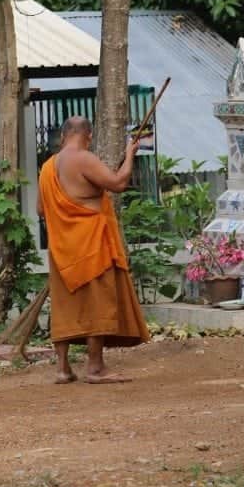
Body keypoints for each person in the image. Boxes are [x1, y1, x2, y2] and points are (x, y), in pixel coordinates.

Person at [37, 115, 150, 384]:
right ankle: (95, 367)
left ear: (63, 136)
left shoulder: (48, 167)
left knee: (66, 306)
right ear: (88, 135)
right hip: (90, 244)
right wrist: (129, 154)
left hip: (62, 249)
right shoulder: (84, 158)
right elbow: (118, 183)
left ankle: (63, 368)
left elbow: (41, 209)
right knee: (98, 301)